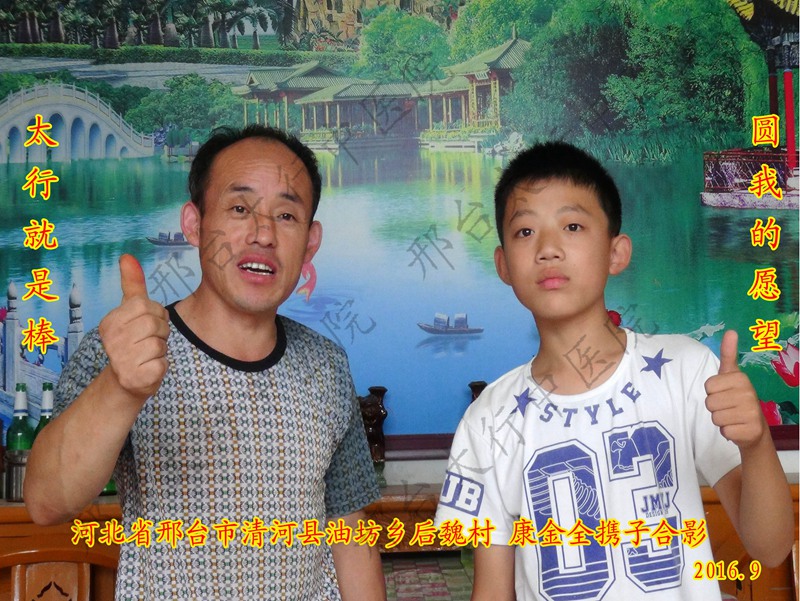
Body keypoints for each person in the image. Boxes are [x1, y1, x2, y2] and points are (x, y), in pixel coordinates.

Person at [25, 125, 386, 601]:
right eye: (239, 209)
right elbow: (46, 502)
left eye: (286, 215)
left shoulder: (326, 365)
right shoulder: (125, 349)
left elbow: (350, 531)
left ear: (310, 241)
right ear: (193, 224)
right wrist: (121, 388)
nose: (263, 234)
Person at [434, 141, 794, 601]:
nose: (548, 249)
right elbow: (492, 590)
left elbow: (771, 547)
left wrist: (756, 443)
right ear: (504, 265)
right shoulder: (488, 420)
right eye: (525, 231)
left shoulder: (686, 371)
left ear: (616, 252)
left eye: (572, 226)